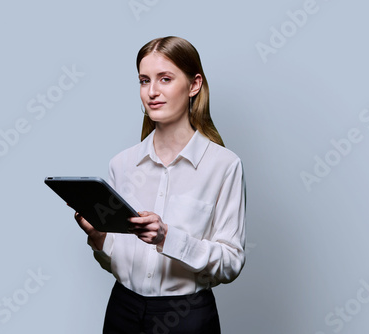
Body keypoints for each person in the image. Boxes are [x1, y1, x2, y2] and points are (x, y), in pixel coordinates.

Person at [74, 36, 246, 334]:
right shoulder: (122, 164)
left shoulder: (224, 165)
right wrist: (99, 237)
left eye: (165, 79)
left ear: (194, 85)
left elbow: (231, 262)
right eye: (144, 80)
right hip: (122, 310)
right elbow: (117, 262)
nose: (152, 92)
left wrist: (167, 237)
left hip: (187, 315)